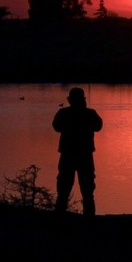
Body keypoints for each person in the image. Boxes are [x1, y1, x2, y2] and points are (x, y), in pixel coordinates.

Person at [53, 87, 103, 217]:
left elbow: (56, 127)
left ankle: (60, 219)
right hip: (83, 156)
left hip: (69, 155)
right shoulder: (89, 113)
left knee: (64, 191)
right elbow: (98, 126)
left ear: (70, 100)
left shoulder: (64, 113)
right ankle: (88, 220)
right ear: (83, 100)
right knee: (86, 192)